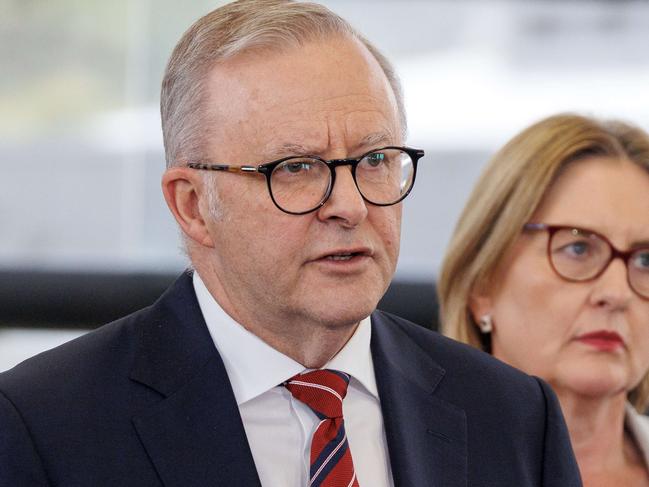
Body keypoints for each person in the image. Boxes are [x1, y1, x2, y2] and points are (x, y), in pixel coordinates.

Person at [0, 2, 581, 486]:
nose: (350, 206)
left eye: (375, 160)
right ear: (193, 206)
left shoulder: (514, 417)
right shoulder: (43, 426)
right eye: (297, 168)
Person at [439, 113, 649, 486]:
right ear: (482, 285)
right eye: (578, 247)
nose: (617, 294)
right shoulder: (392, 464)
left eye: (646, 260)